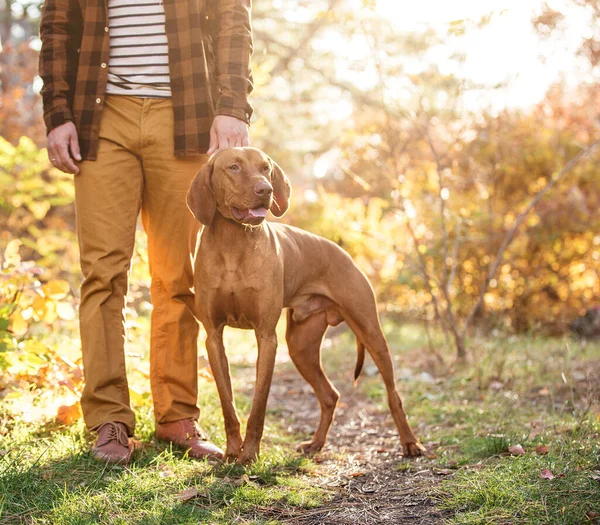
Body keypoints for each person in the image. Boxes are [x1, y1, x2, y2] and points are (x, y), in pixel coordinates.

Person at [38, 0, 253, 464]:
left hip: (186, 113)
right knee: (102, 275)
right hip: (100, 114)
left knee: (179, 276)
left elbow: (233, 17)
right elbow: (57, 25)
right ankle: (108, 418)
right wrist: (58, 114)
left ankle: (177, 416)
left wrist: (233, 104)